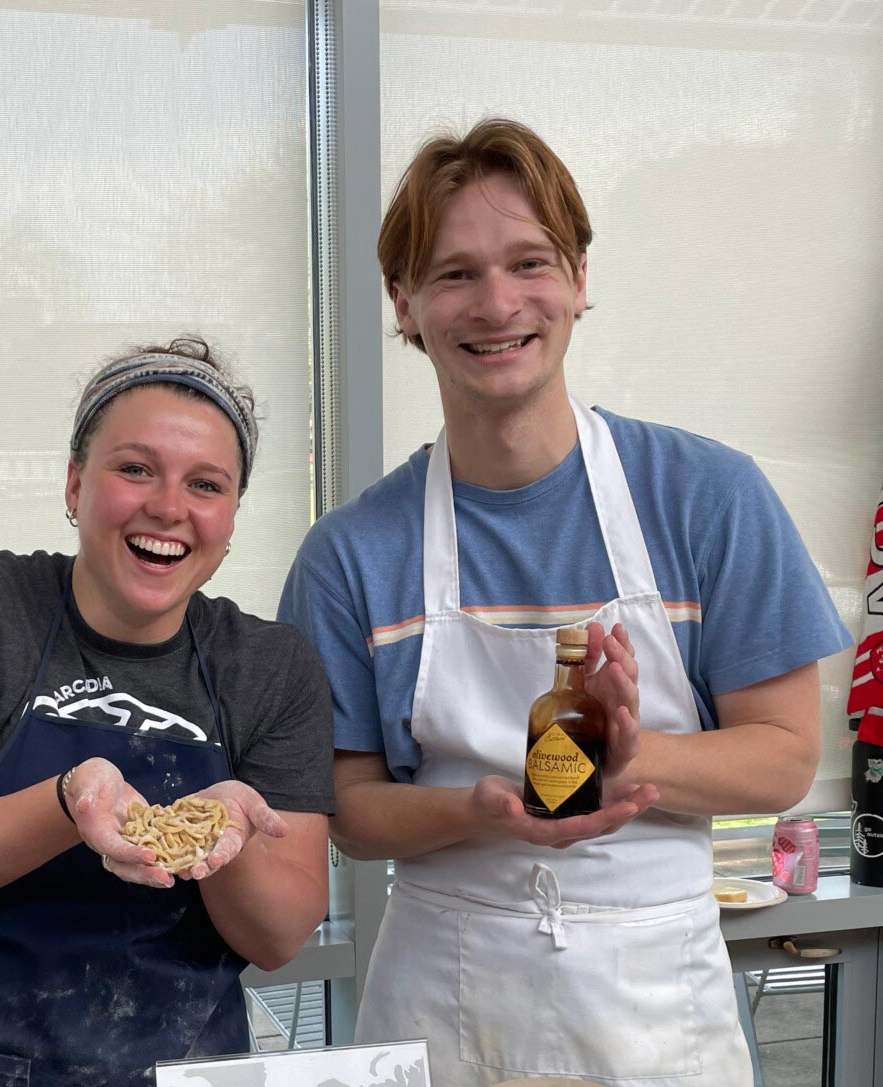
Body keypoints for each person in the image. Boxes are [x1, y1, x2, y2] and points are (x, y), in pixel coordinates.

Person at [278, 119, 853, 1087]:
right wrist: (484, 807)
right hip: (448, 987)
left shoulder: (707, 498)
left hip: (656, 1003)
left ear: (580, 279)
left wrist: (637, 758)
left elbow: (785, 758)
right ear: (403, 304)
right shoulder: (353, 552)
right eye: (453, 273)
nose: (497, 303)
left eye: (529, 262)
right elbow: (349, 809)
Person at [0, 336, 334, 1086]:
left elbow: (280, 932)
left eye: (206, 484)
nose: (168, 507)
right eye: (135, 469)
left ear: (233, 516)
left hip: (178, 1069)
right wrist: (68, 802)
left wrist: (214, 840)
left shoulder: (269, 666)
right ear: (75, 484)